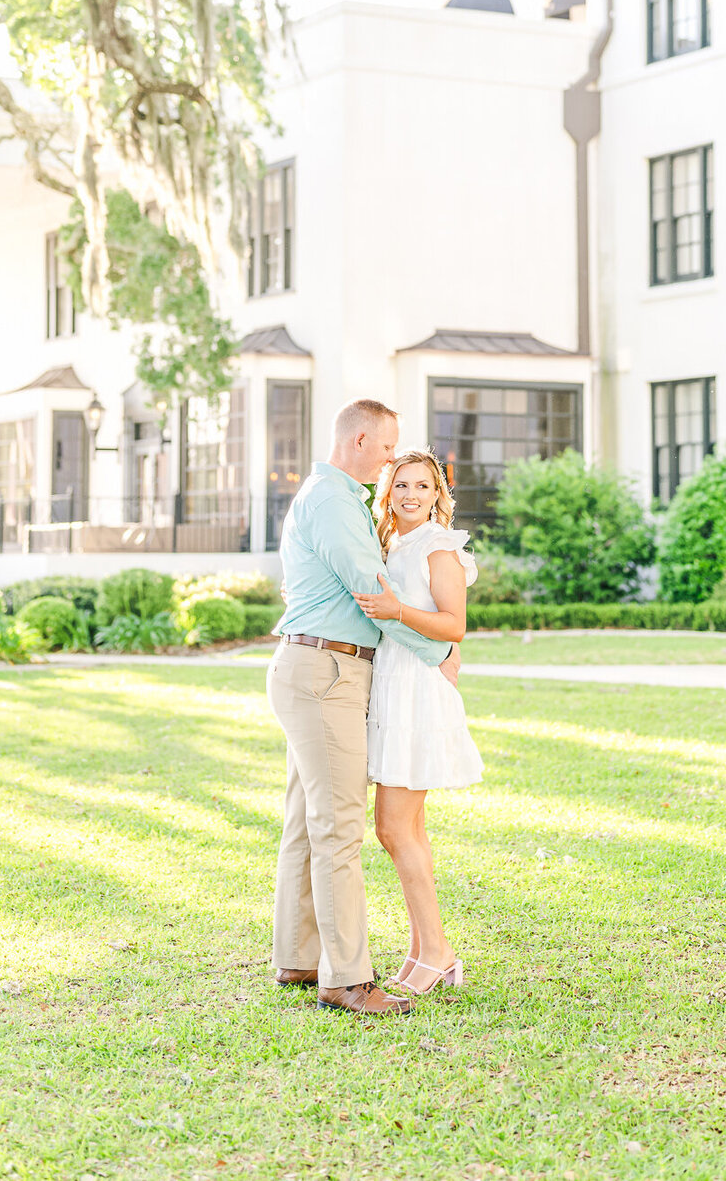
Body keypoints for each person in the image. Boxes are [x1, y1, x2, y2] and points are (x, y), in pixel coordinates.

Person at [266, 398, 459, 1017]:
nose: (388, 461)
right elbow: (374, 596)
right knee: (338, 828)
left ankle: (299, 956)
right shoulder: (332, 503)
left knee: (306, 820)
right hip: (327, 671)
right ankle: (346, 979)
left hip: (314, 665)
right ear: (358, 441)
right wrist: (439, 650)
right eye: (385, 449)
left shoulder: (337, 502)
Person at [355, 448, 481, 996]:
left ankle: (438, 951)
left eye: (422, 486)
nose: (410, 495)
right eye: (400, 485)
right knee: (408, 830)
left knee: (392, 828)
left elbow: (454, 626)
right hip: (392, 684)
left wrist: (397, 611)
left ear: (438, 495)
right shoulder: (393, 543)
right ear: (388, 493)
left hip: (416, 694)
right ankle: (423, 949)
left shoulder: (439, 546)